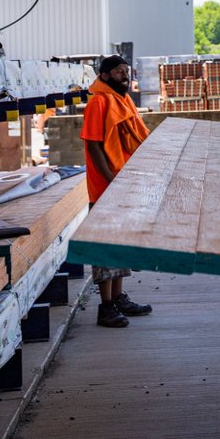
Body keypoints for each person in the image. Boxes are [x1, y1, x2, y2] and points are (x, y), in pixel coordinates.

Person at [81, 54, 153, 327]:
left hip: (124, 182)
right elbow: (94, 145)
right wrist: (111, 180)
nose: (126, 75)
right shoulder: (98, 102)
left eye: (127, 71)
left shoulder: (122, 100)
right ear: (107, 74)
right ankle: (106, 307)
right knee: (105, 250)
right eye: (120, 71)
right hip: (105, 188)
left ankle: (119, 297)